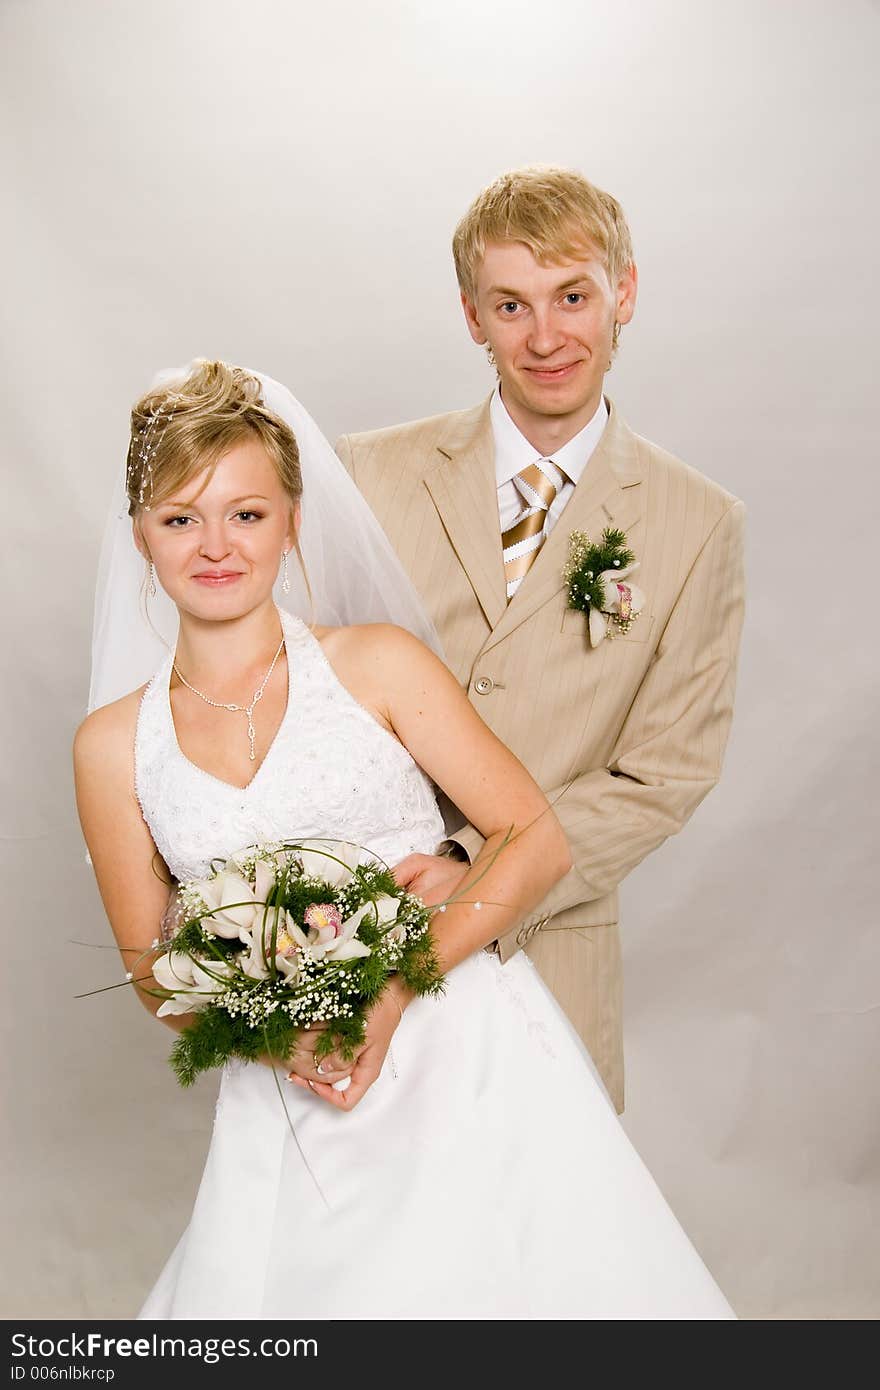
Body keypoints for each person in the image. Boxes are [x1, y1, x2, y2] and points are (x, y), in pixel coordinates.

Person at [75, 360, 735, 1319]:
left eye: (247, 514)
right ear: (142, 536)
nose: (216, 545)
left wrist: (387, 992)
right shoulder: (109, 746)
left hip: (464, 1058)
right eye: (182, 518)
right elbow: (153, 970)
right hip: (291, 1093)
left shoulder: (377, 665)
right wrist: (282, 1041)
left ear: (293, 522)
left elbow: (532, 839)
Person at [335, 166, 746, 1113]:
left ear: (624, 293)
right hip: (359, 927)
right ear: (472, 316)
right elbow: (301, 684)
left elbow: (667, 772)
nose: (547, 336)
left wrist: (480, 867)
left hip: (550, 954)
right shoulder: (369, 472)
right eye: (511, 305)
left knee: (540, 1249)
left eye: (574, 297)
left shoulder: (699, 523)